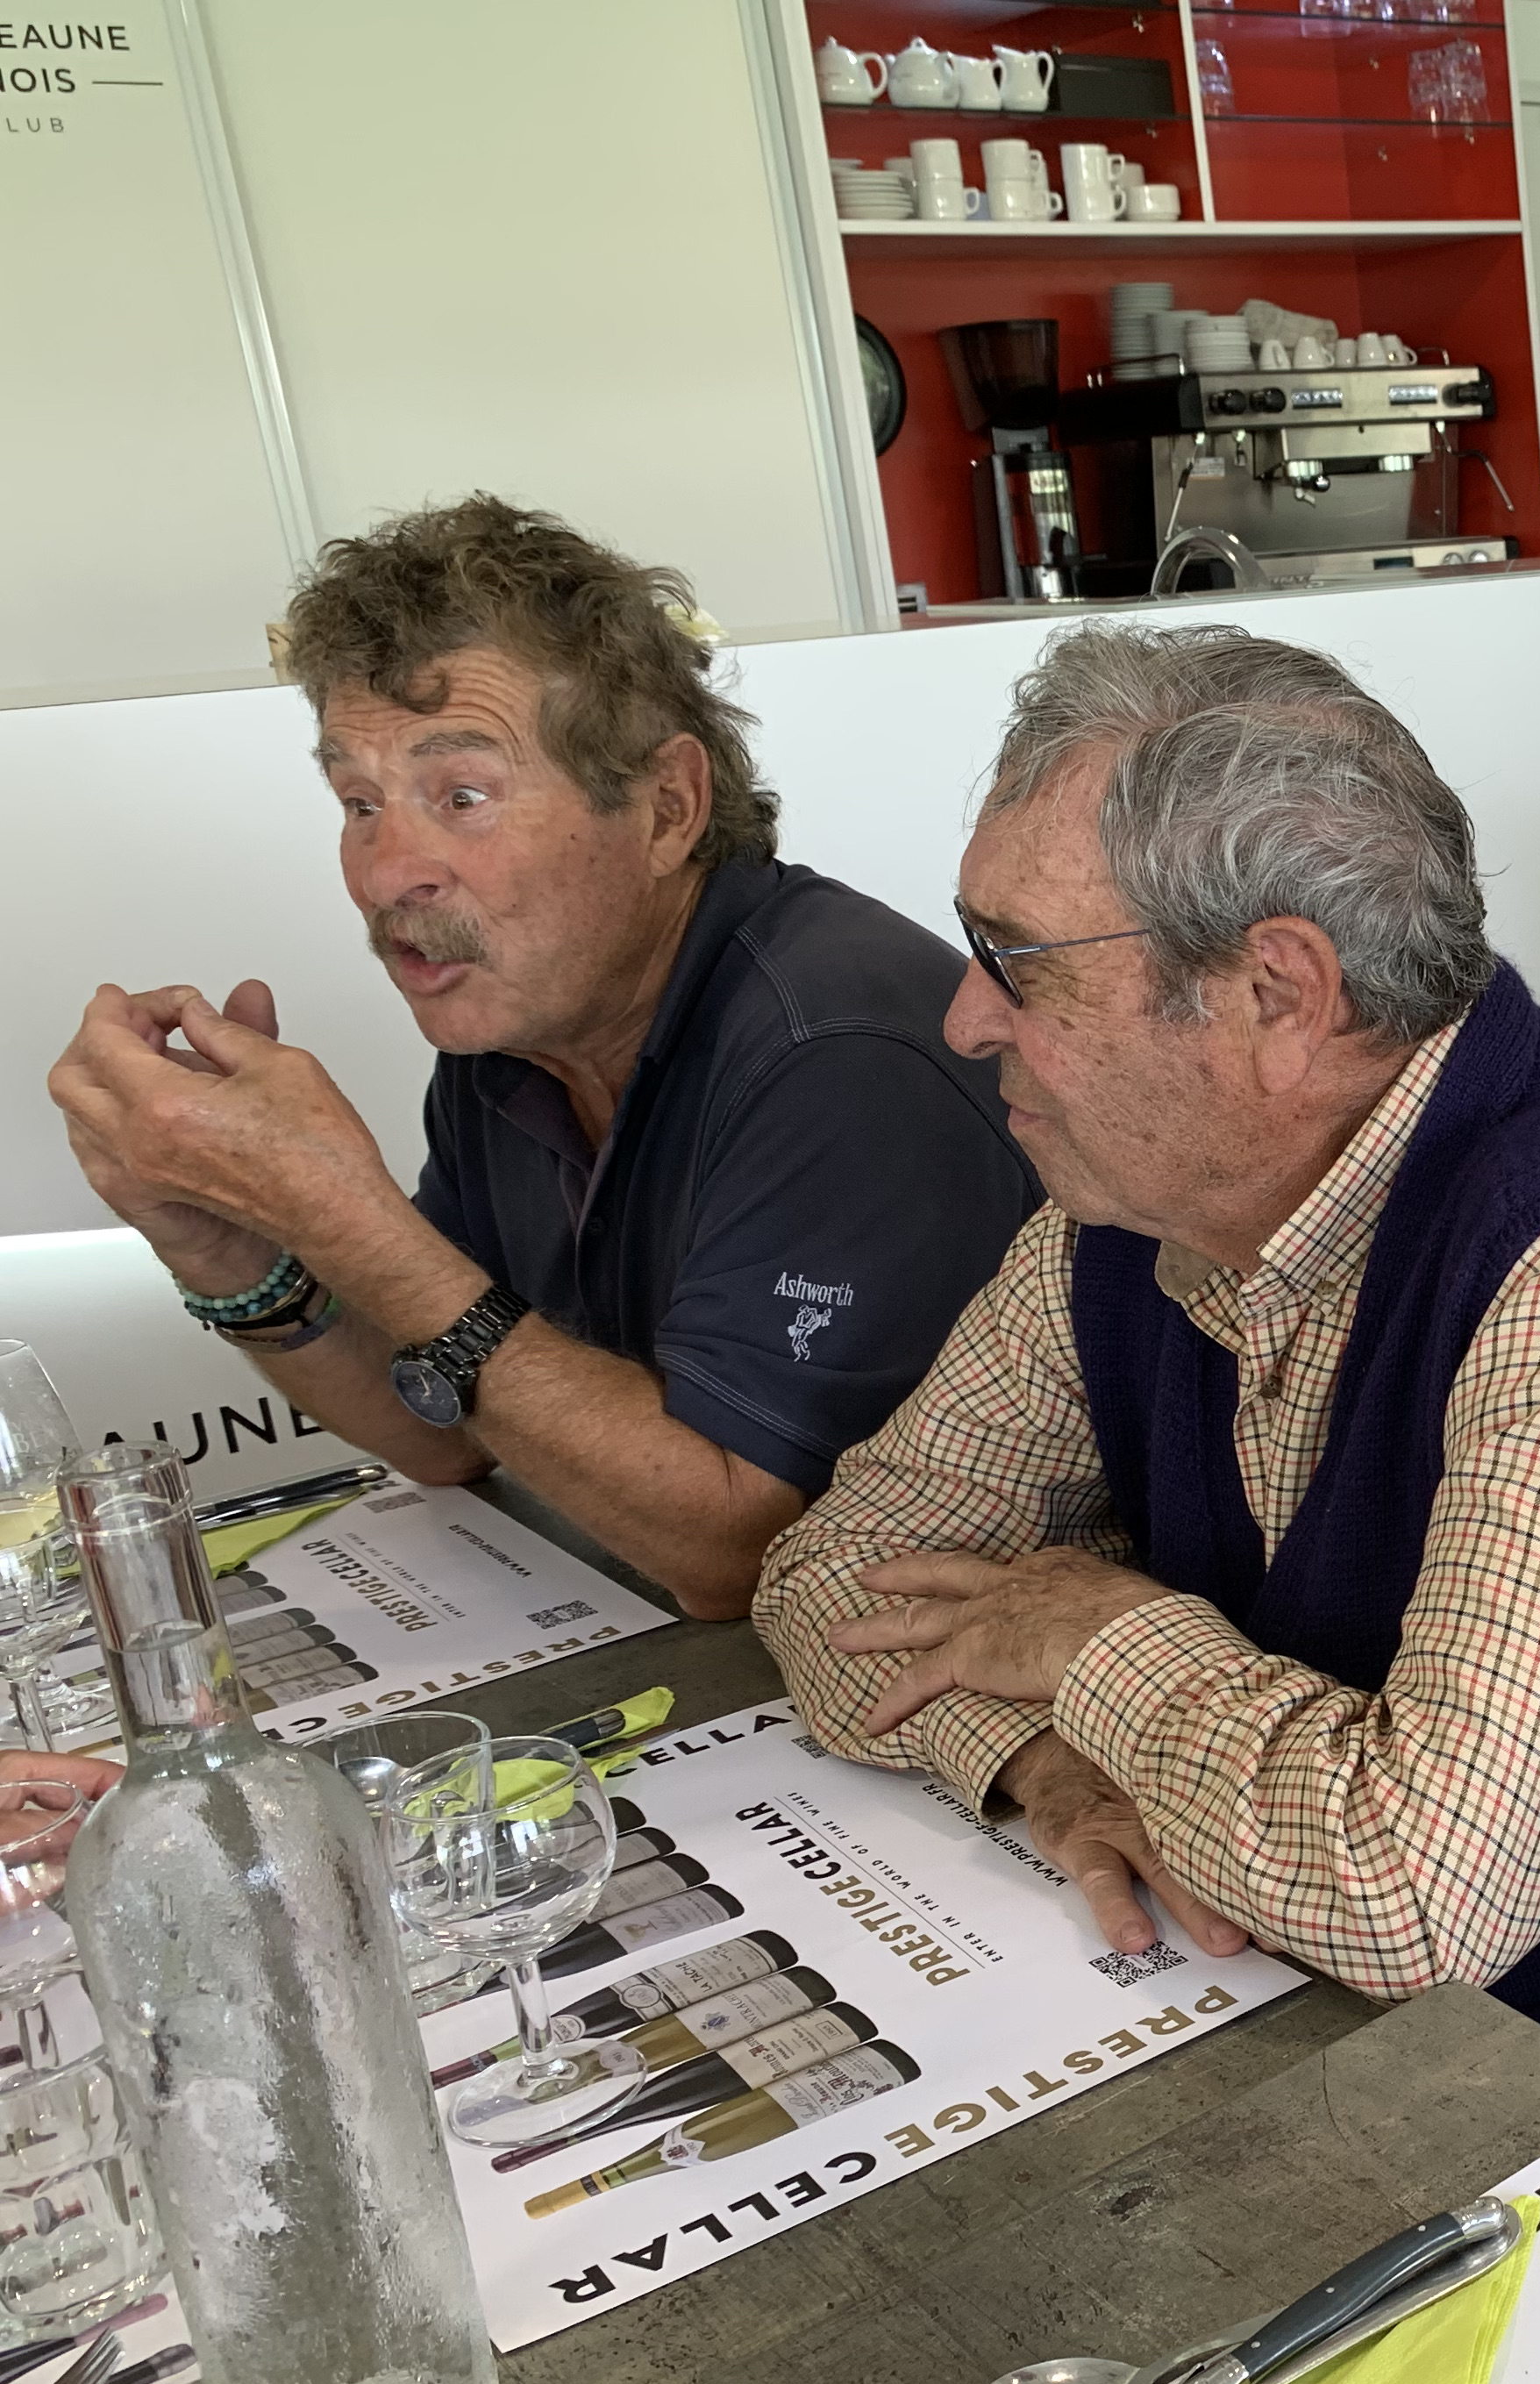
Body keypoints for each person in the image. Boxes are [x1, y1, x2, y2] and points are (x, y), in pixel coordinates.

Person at [755, 624, 1540, 2223]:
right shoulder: (1132, 1209)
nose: (965, 1020)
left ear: (1276, 991)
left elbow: (1410, 1893)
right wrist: (1043, 1759)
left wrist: (1089, 1639)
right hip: (1318, 2016)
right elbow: (832, 1576)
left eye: (1019, 961)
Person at [41, 498, 1037, 1621]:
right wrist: (222, 1242)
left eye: (462, 796)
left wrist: (343, 1215)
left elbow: (733, 1548)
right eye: (359, 802)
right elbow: (446, 1428)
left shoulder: (839, 1052)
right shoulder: (518, 1026)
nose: (386, 873)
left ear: (667, 808)